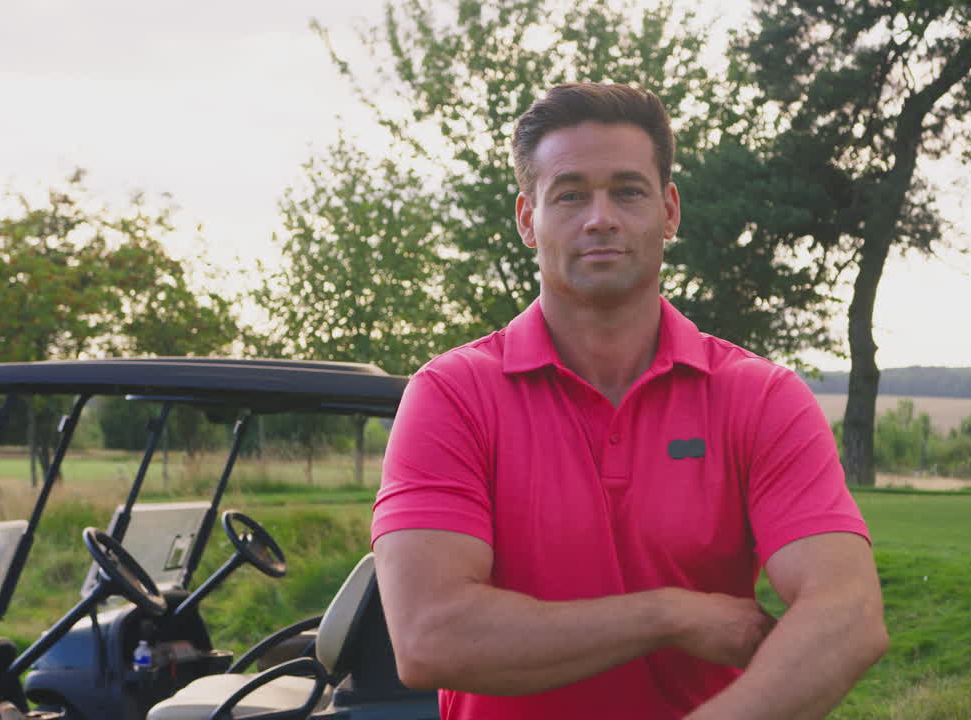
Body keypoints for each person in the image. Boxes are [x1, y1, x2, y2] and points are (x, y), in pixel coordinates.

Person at [371, 82, 887, 719]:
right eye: (570, 194)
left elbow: (850, 612)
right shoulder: (452, 394)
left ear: (669, 209)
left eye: (627, 190)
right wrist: (667, 613)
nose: (600, 217)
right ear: (528, 220)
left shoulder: (762, 397)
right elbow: (428, 636)